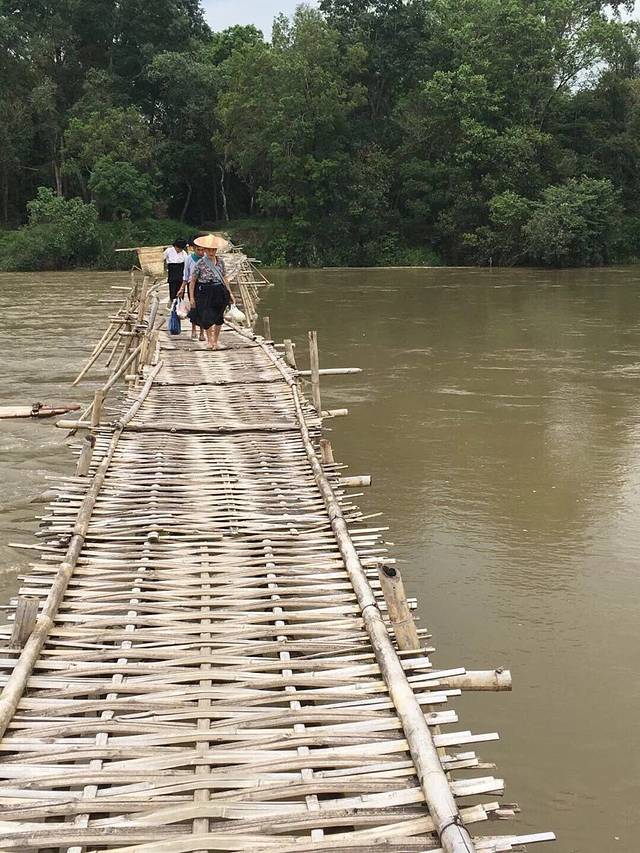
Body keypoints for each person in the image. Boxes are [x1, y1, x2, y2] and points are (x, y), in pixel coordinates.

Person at [189, 234, 234, 350]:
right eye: (209, 249)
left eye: (213, 249)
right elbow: (193, 281)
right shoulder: (200, 263)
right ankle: (209, 341)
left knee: (219, 317)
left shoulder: (220, 262)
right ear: (205, 250)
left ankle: (215, 340)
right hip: (205, 291)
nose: (211, 252)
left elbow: (224, 278)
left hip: (219, 290)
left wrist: (230, 293)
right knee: (207, 316)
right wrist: (192, 298)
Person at [180, 236, 205, 341]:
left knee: (203, 308)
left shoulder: (206, 259)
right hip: (192, 286)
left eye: (202, 249)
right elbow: (186, 275)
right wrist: (182, 288)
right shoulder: (189, 259)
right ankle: (193, 328)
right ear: (193, 249)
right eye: (198, 249)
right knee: (193, 306)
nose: (200, 252)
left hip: (204, 285)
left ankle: (202, 332)